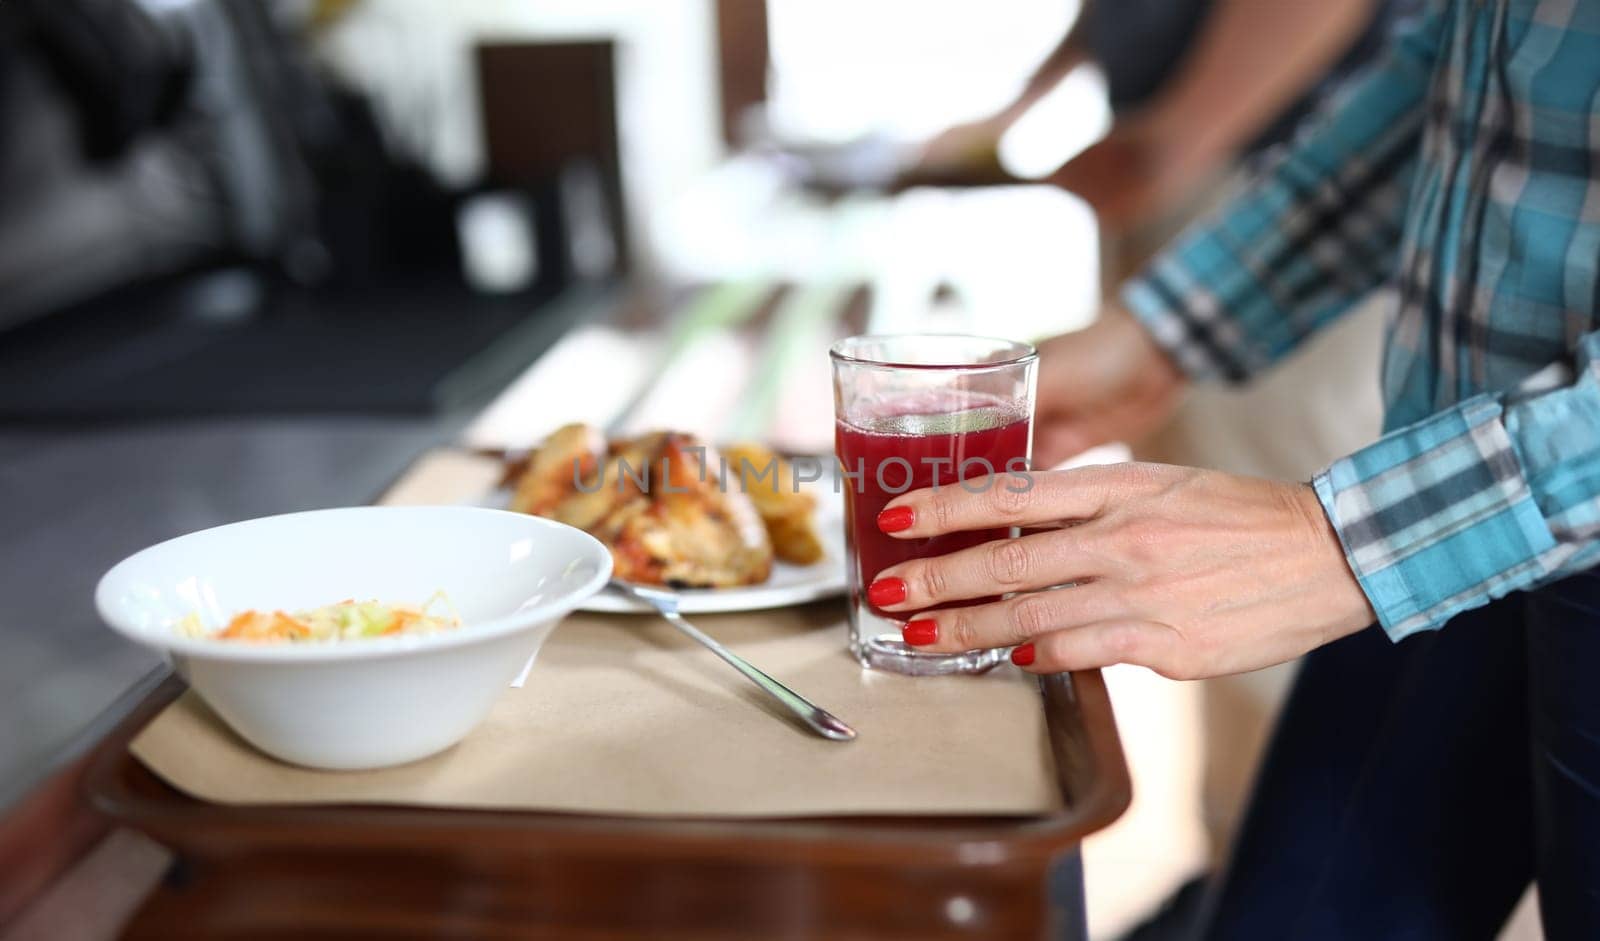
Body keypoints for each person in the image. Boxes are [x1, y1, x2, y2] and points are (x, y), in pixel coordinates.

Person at [864, 1, 1600, 936]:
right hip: (1433, 467)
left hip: (1453, 512)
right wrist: (1164, 331)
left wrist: (1338, 543)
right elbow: (1464, 78)